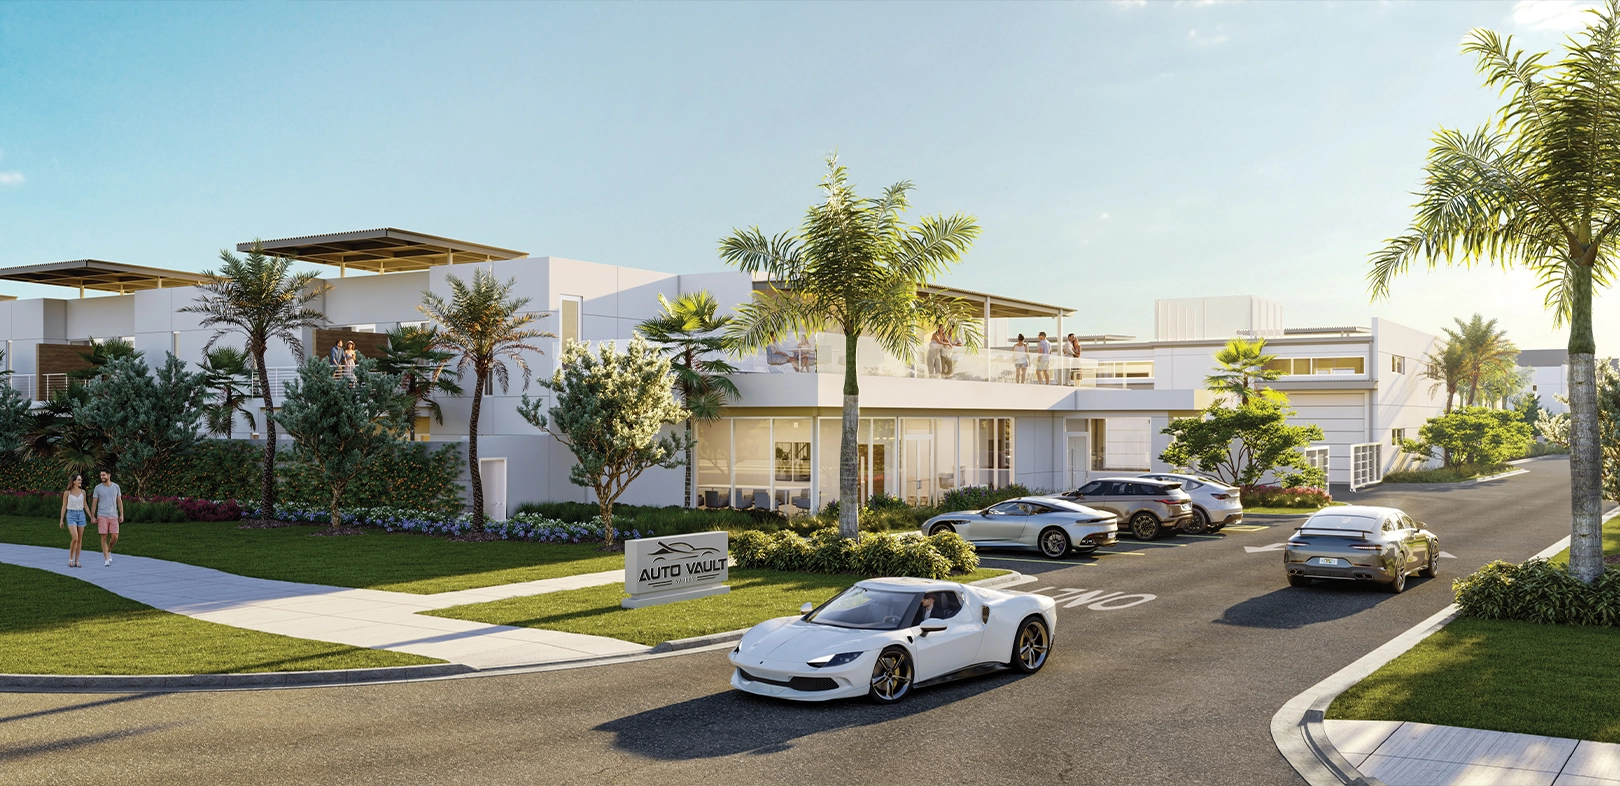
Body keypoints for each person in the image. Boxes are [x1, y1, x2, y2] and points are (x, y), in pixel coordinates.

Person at [89, 469, 123, 567]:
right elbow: (94, 502)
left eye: (103, 475)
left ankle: (108, 551)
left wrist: (121, 514)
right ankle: (106, 559)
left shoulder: (116, 487)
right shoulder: (98, 488)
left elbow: (119, 501)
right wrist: (92, 516)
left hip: (113, 515)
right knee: (104, 537)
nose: (102, 477)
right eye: (101, 475)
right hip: (102, 515)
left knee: (115, 537)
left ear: (109, 475)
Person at [58, 473, 87, 568]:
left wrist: (91, 516)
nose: (80, 481)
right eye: (78, 480)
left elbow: (85, 504)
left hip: (81, 515)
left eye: (81, 479)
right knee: (75, 538)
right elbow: (63, 506)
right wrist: (61, 520)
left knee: (80, 539)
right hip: (71, 515)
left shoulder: (83, 492)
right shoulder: (67, 493)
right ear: (74, 481)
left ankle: (77, 560)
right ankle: (71, 558)